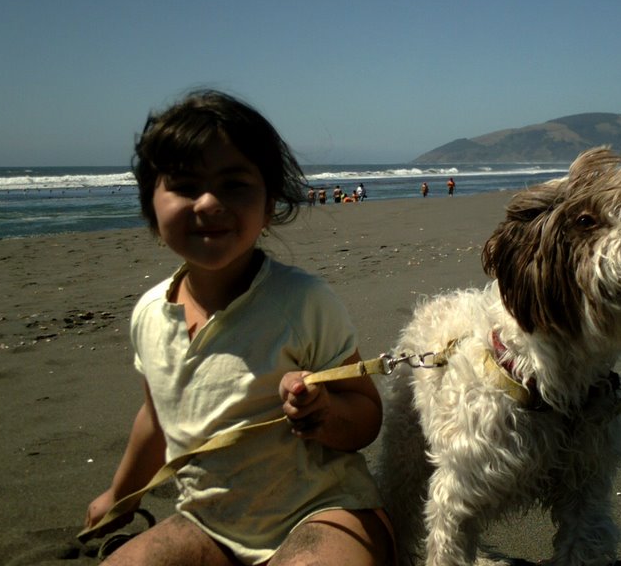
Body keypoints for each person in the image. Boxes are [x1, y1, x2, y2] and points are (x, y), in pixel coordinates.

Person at [83, 90, 392, 565]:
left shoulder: (302, 302)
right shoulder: (149, 313)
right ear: (150, 202)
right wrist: (121, 496)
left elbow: (367, 417)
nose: (208, 202)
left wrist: (325, 414)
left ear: (269, 206)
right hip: (209, 522)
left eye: (234, 185)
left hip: (321, 512)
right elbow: (155, 420)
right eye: (185, 184)